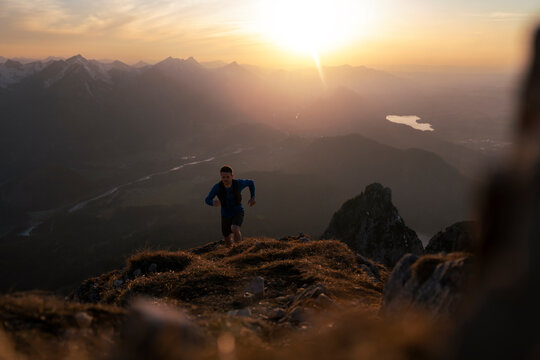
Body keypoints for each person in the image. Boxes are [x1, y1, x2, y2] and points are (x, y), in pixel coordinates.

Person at [205, 165, 256, 248]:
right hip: (225, 215)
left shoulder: (238, 183)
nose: (225, 179)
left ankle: (239, 248)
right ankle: (232, 253)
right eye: (223, 177)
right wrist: (212, 202)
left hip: (238, 211)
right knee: (228, 241)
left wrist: (252, 197)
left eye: (227, 177)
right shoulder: (217, 187)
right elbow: (207, 199)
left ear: (232, 176)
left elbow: (251, 182)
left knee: (235, 228)